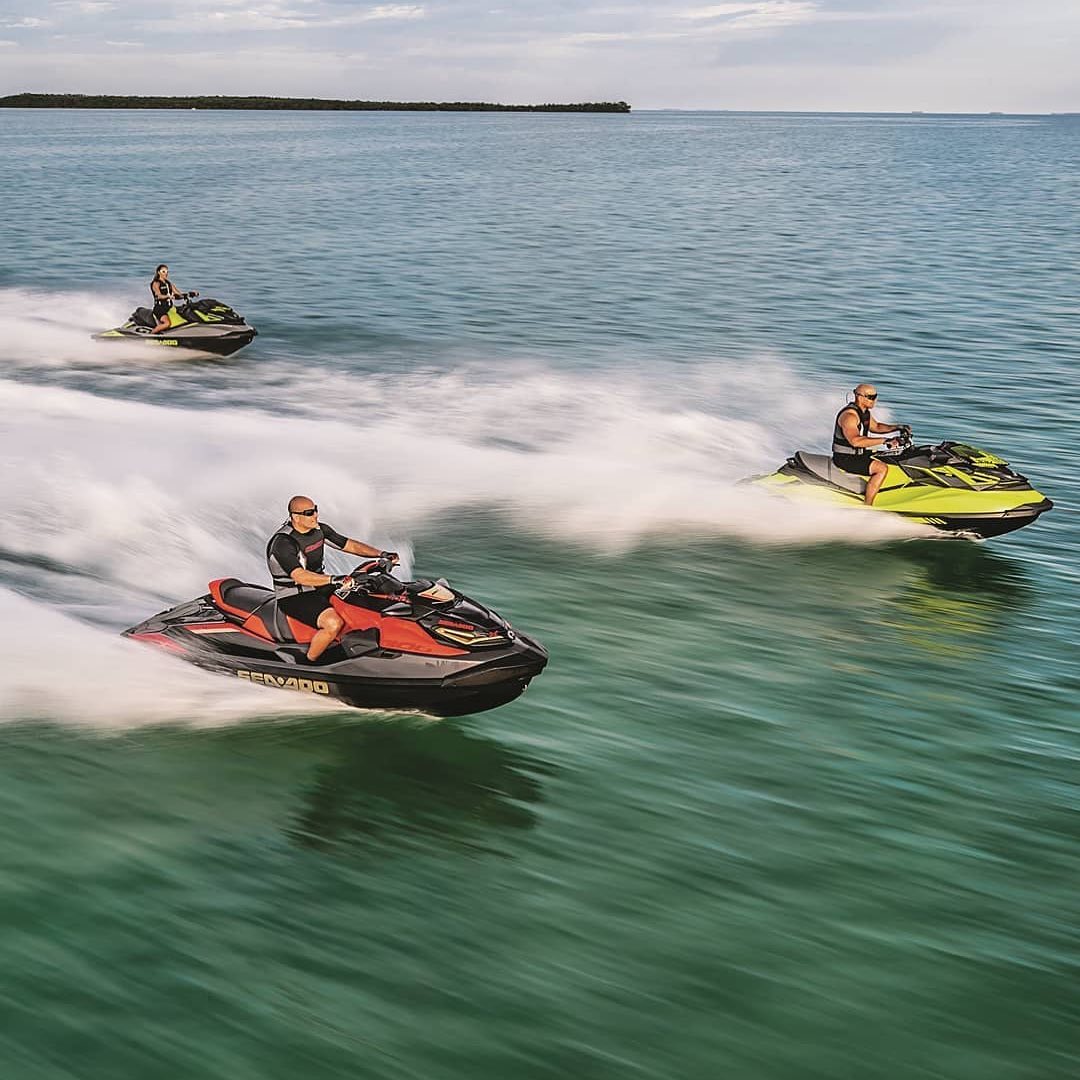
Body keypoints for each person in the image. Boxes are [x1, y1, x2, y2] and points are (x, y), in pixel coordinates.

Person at [266, 496, 399, 662]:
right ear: (296, 517)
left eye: (315, 509)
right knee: (333, 623)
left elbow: (349, 545)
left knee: (363, 598)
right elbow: (299, 575)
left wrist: (381, 554)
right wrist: (333, 580)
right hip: (294, 595)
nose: (315, 515)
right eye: (309, 513)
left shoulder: (320, 530)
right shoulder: (283, 543)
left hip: (320, 587)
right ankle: (309, 662)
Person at [832, 384, 911, 505]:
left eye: (875, 396)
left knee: (888, 457)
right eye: (871, 397)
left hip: (858, 454)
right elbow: (855, 441)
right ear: (860, 397)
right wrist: (885, 440)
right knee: (881, 469)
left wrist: (898, 427)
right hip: (845, 458)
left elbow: (877, 427)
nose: (875, 400)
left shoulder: (864, 412)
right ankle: (868, 506)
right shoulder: (849, 416)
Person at [150, 264, 198, 334]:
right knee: (167, 324)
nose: (166, 273)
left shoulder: (169, 283)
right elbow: (159, 295)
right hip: (160, 309)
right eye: (163, 271)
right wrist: (168, 296)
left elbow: (178, 294)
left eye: (167, 272)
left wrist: (189, 294)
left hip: (169, 308)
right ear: (158, 272)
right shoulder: (156, 283)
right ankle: (151, 336)